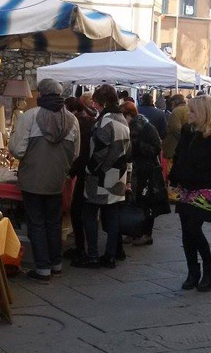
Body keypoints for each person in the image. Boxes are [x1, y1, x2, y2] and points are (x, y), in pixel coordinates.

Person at [9, 79, 80, 284]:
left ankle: (42, 269)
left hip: (32, 177)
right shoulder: (72, 120)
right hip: (57, 179)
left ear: (41, 94)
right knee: (53, 222)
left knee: (36, 223)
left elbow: (17, 149)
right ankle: (56, 264)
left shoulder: (30, 116)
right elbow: (75, 153)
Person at [169, 95, 211, 292]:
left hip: (205, 188)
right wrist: (173, 179)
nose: (189, 114)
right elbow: (179, 156)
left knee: (194, 228)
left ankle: (209, 271)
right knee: (186, 231)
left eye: (193, 111)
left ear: (204, 113)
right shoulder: (188, 131)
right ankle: (193, 272)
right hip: (185, 187)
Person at [73, 84, 131, 269]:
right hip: (118, 175)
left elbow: (100, 152)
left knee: (89, 214)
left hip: (101, 177)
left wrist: (89, 169)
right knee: (112, 215)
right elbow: (127, 151)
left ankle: (92, 255)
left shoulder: (106, 122)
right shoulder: (122, 120)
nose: (94, 105)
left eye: (96, 102)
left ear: (104, 102)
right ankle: (110, 255)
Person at [120, 102, 170, 245]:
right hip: (133, 170)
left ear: (129, 115)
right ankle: (133, 231)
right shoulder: (126, 128)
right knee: (132, 202)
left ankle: (146, 234)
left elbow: (156, 148)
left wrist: (138, 145)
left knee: (146, 203)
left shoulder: (148, 128)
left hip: (147, 171)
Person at [64, 96, 97, 263]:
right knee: (87, 212)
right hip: (92, 171)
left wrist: (70, 171)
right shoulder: (91, 121)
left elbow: (78, 152)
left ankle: (82, 249)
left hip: (84, 171)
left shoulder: (77, 123)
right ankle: (86, 248)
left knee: (78, 211)